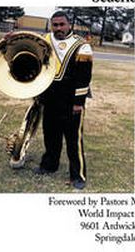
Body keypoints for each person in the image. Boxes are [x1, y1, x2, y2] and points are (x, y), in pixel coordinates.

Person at [34, 11, 93, 190]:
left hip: (70, 99)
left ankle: (78, 175)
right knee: (50, 135)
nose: (58, 28)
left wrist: (78, 102)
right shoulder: (43, 40)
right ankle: (49, 165)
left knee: (73, 140)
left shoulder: (82, 46)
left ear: (69, 25)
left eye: (62, 24)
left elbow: (84, 78)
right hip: (49, 97)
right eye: (55, 25)